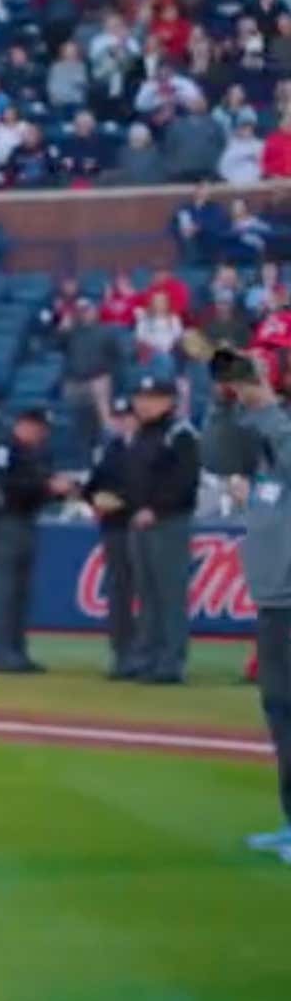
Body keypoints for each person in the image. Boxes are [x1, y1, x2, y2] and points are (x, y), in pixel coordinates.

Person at [200, 348, 291, 855]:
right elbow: (215, 457)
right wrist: (222, 403)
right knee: (281, 711)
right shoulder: (262, 436)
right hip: (274, 599)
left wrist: (266, 404)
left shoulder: (278, 427)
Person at [105, 372, 200, 684]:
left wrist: (154, 508)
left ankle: (170, 661)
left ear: (169, 401)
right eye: (141, 398)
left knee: (169, 594)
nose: (143, 404)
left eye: (152, 399)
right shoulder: (142, 435)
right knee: (146, 595)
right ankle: (146, 657)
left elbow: (185, 482)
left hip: (168, 523)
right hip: (138, 523)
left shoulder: (180, 434)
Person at [0, 406, 68, 674]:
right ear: (25, 424)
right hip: (1, 524)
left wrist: (56, 490)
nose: (43, 434)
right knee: (1, 593)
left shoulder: (36, 454)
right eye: (39, 428)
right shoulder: (3, 448)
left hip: (25, 522)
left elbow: (37, 490)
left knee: (20, 594)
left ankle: (16, 651)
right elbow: (4, 488)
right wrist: (46, 486)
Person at [87, 398, 143, 677]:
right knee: (119, 594)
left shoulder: (150, 445)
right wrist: (95, 499)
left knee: (149, 593)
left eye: (128, 416)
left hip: (142, 527)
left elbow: (158, 489)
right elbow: (93, 485)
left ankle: (147, 653)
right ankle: (122, 654)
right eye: (119, 416)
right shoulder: (113, 448)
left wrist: (122, 500)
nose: (124, 421)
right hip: (115, 529)